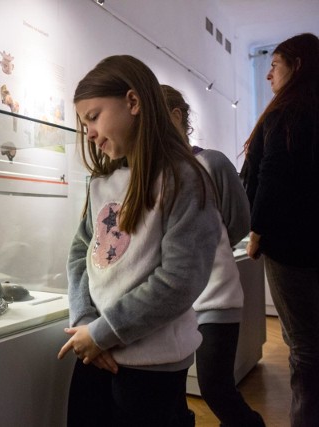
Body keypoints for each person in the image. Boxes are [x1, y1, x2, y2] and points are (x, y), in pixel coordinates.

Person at [57, 55, 222, 427]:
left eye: (94, 117)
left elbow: (179, 280)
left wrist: (103, 332)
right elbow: (82, 252)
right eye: (84, 125)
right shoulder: (101, 183)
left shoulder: (186, 180)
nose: (90, 134)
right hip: (95, 353)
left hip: (152, 365)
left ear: (133, 103)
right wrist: (85, 321)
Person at [163, 84, 265, 427]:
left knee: (215, 387)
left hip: (213, 298)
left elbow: (237, 222)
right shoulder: (154, 173)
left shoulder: (213, 163)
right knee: (172, 391)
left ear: (176, 117)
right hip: (171, 302)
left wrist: (209, 248)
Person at [241, 32, 319, 427]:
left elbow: (272, 172)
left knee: (303, 347)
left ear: (297, 65)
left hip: (290, 245)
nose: (269, 75)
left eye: (274, 65)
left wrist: (256, 230)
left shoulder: (287, 112)